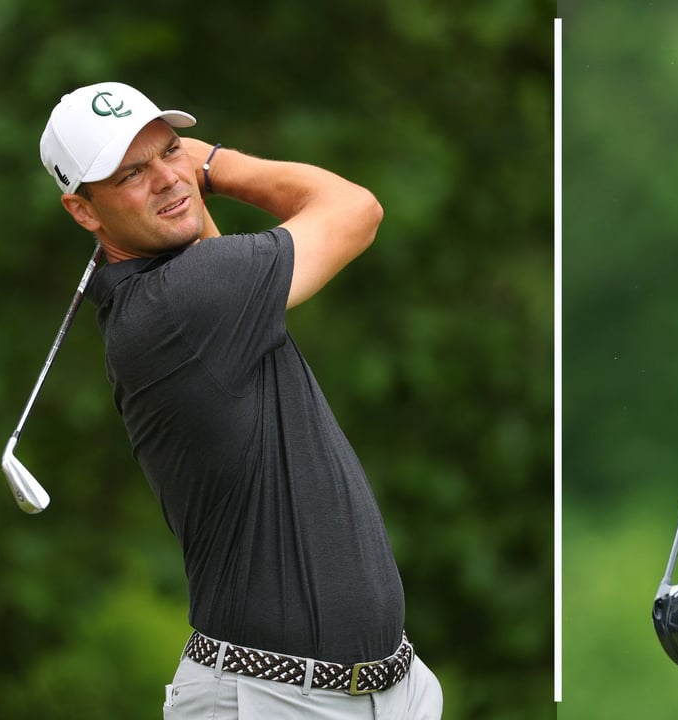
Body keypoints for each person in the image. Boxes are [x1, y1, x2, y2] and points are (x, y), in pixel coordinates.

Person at [40, 81, 442, 719]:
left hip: (384, 689)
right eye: (131, 174)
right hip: (272, 701)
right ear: (84, 212)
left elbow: (208, 242)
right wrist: (212, 164)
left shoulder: (186, 291)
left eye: (169, 151)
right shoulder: (182, 302)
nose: (167, 180)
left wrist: (179, 179)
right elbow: (355, 208)